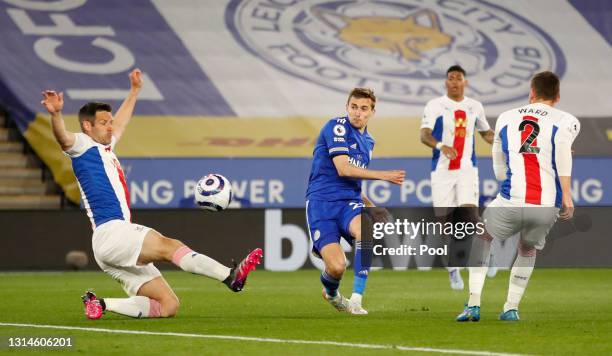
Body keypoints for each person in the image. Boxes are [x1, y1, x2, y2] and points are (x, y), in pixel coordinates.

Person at [41, 69, 263, 320]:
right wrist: (56, 114)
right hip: (112, 232)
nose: (110, 127)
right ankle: (230, 276)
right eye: (104, 123)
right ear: (87, 126)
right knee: (171, 247)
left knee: (168, 305)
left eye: (110, 121)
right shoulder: (82, 145)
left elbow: (122, 121)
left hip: (109, 245)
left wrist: (134, 91)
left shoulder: (106, 146)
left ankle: (100, 304)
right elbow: (63, 138)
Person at [457, 71, 580, 322]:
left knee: (482, 236)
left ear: (531, 93)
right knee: (527, 248)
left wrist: (509, 177)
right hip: (547, 204)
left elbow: (499, 167)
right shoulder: (568, 120)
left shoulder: (506, 118)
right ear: (557, 96)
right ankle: (511, 308)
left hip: (512, 198)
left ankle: (473, 305)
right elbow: (562, 155)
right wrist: (567, 195)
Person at [305, 88, 405, 315]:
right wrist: (384, 175)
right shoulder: (336, 127)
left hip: (349, 202)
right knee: (337, 267)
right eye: (353, 107)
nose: (357, 113)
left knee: (366, 230)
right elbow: (343, 169)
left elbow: (353, 180)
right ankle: (331, 294)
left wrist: (370, 205)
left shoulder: (368, 141)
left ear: (372, 112)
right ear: (347, 107)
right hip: (322, 203)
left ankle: (357, 300)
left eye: (363, 108)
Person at [420, 65, 495, 289]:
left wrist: (505, 141)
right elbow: (424, 135)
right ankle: (453, 269)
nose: (454, 82)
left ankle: (487, 256)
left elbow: (486, 134)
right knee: (445, 223)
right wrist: (441, 145)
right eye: (450, 78)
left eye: (458, 78)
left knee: (471, 216)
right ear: (445, 83)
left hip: (466, 169)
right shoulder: (435, 105)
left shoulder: (475, 106)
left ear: (465, 82)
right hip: (442, 171)